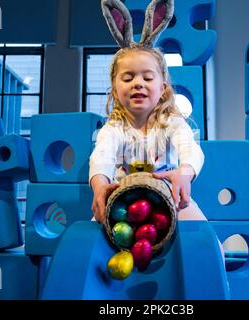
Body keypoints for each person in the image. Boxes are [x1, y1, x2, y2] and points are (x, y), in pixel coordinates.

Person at [89, 45, 207, 224]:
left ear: (162, 89)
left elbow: (190, 148)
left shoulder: (172, 123)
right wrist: (100, 186)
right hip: (123, 200)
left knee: (209, 244)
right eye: (128, 78)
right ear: (115, 90)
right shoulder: (113, 128)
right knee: (91, 244)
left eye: (148, 77)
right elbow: (101, 157)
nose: (138, 83)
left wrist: (184, 172)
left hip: (170, 196)